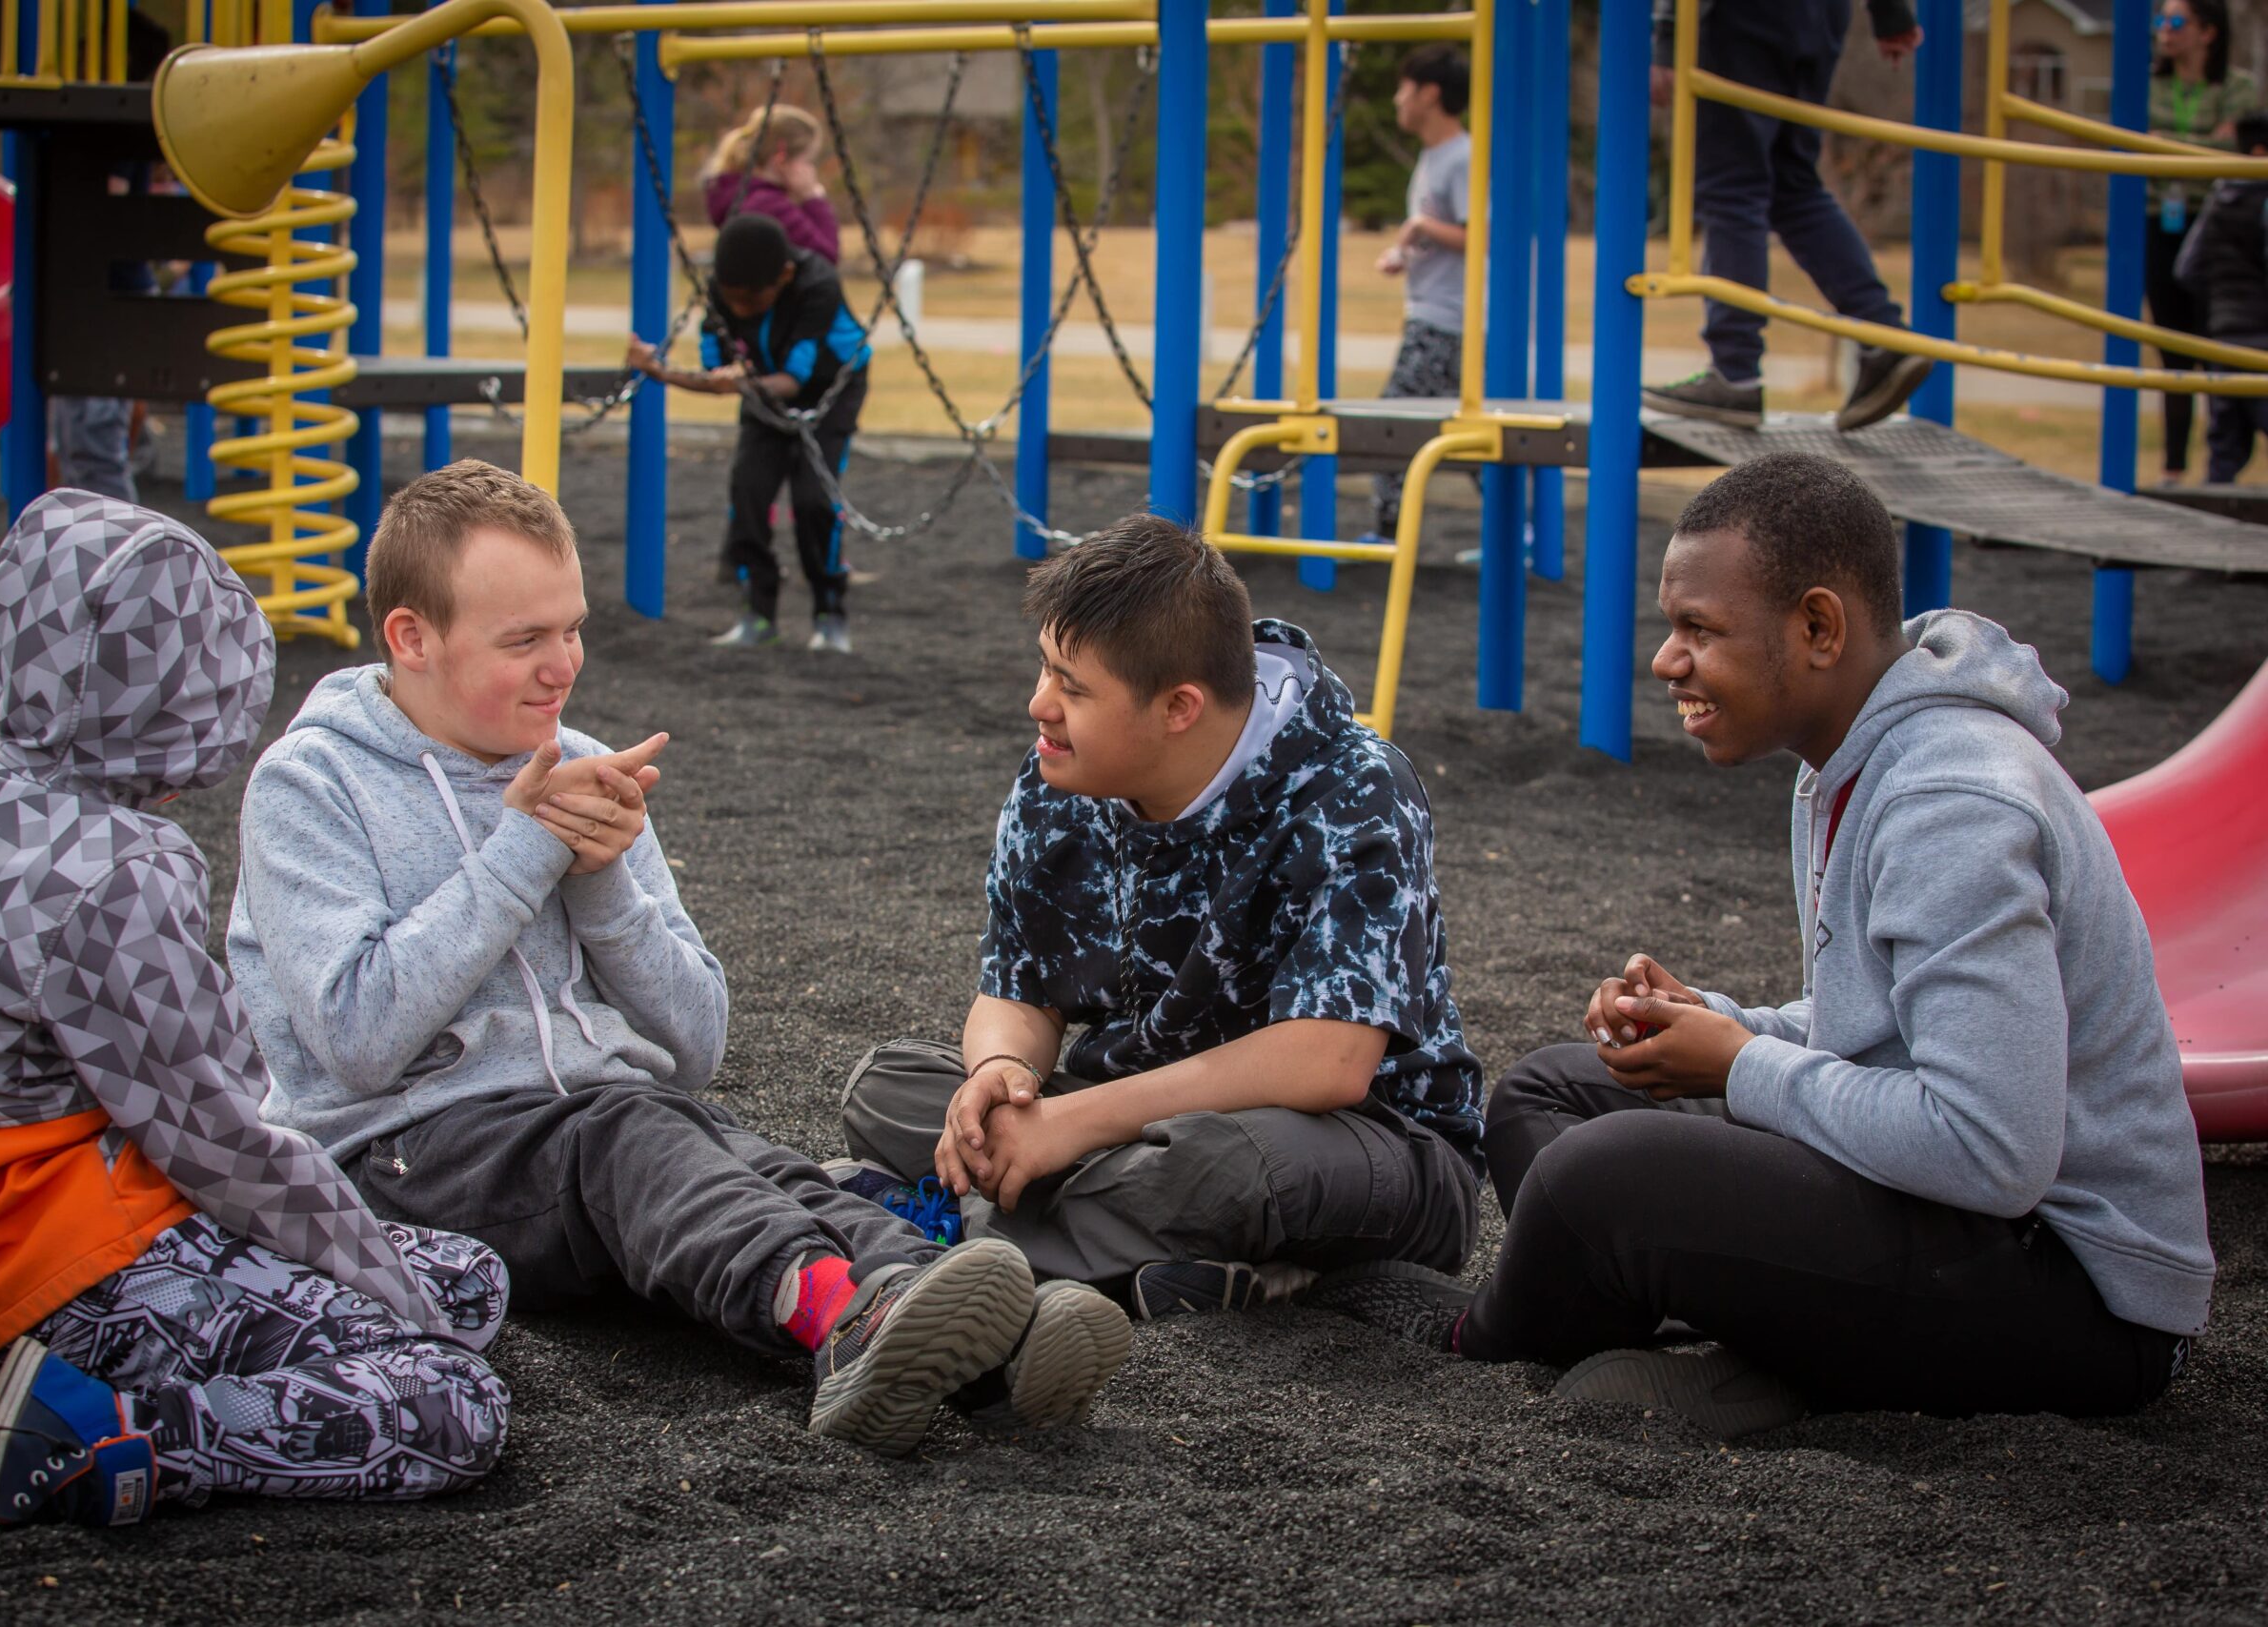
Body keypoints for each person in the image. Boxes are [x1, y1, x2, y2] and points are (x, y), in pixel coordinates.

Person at [1311, 454, 2216, 1439]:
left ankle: (1479, 1339)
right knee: (1548, 1095)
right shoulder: (1852, 761)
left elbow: (1991, 1150)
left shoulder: (1947, 799)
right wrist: (1718, 1024)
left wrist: (1741, 1066)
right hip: (1963, 1221)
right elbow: (1880, 1031)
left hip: (2077, 1295)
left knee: (1602, 1174)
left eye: (1700, 629)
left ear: (1817, 628)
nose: (1666, 660)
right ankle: (1734, 1353)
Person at [229, 460, 1122, 1451]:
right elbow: (357, 1039)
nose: (561, 665)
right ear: (412, 638)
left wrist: (602, 886)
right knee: (635, 1139)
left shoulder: (580, 762)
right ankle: (842, 1321)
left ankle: (972, 1338)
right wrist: (526, 852)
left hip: (602, 1123)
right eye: (523, 640)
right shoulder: (309, 786)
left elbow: (694, 1046)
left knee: (761, 1164)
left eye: (572, 628)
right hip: (398, 1159)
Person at [0, 492, 512, 1542]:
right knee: (451, 1396)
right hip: (80, 1262)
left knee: (468, 1277)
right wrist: (376, 1284)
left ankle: (76, 1392)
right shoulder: (115, 872)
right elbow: (224, 1137)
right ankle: (104, 1439)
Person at [833, 515, 1485, 1322]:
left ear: (1179, 706)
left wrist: (1069, 1124)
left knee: (1224, 1168)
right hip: (1129, 1123)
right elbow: (1020, 992)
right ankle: (1155, 1266)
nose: (1040, 704)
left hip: (1358, 1142)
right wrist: (1002, 1075)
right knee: (889, 1084)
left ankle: (933, 1228)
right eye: (1045, 668)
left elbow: (1330, 1062)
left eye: (1073, 686)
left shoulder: (1354, 789)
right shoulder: (1055, 779)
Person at [1640, 0, 1936, 432]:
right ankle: (1883, 337)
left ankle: (1734, 373)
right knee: (1791, 187)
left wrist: (1666, 35)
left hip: (1740, 19)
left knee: (1732, 187)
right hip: (1821, 17)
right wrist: (1889, 12)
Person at [627, 214, 869, 654]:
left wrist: (736, 382)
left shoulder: (817, 284)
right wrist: (656, 369)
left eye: (752, 300)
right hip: (762, 392)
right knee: (748, 494)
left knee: (814, 500)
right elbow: (714, 367)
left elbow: (794, 379)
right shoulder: (722, 289)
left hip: (830, 393)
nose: (739, 309)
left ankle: (830, 614)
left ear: (786, 276)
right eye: (731, 298)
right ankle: (757, 614)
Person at [1367, 44, 1477, 542]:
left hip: (1447, 319)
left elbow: (1483, 237)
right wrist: (1406, 250)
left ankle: (1388, 534)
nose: (1396, 99)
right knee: (1468, 432)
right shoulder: (1434, 157)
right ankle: (1517, 528)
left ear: (1429, 94)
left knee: (1391, 422)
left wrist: (1419, 226)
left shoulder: (1462, 158)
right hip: (1435, 314)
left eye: (1404, 88)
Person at [2149, 0, 2259, 485]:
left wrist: (2163, 143)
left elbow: (2239, 154)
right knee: (2170, 351)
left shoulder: (2239, 88)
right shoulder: (2148, 87)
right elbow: (2133, 145)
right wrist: (2205, 144)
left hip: (2217, 227)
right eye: (2160, 22)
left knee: (2217, 348)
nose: (2165, 33)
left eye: (2176, 22)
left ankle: (2220, 474)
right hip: (2157, 223)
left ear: (2207, 32)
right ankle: (2173, 467)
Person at [2174, 111, 2268, 481]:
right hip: (2262, 338)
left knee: (2225, 450)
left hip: (2225, 340)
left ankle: (2210, 516)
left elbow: (2186, 268)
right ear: (2261, 152)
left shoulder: (2218, 197)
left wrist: (2221, 303)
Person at [702, 102, 842, 267]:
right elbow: (825, 260)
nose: (811, 170)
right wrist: (813, 200)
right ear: (781, 159)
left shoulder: (743, 194)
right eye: (807, 161)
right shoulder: (768, 205)